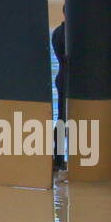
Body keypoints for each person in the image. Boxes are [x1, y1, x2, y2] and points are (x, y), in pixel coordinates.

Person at [51, 10, 67, 171]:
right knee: (62, 119)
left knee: (62, 119)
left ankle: (59, 158)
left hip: (62, 77)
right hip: (65, 79)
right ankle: (59, 158)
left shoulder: (57, 32)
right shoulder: (63, 33)